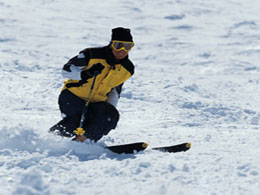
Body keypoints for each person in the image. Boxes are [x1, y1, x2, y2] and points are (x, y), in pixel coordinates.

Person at [50, 27, 135, 142]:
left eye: (127, 46)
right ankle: (50, 139)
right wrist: (86, 74)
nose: (122, 50)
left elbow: (115, 91)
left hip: (96, 102)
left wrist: (107, 114)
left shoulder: (127, 69)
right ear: (111, 44)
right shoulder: (91, 55)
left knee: (110, 117)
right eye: (118, 45)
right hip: (73, 96)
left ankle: (82, 141)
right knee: (75, 122)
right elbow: (66, 70)